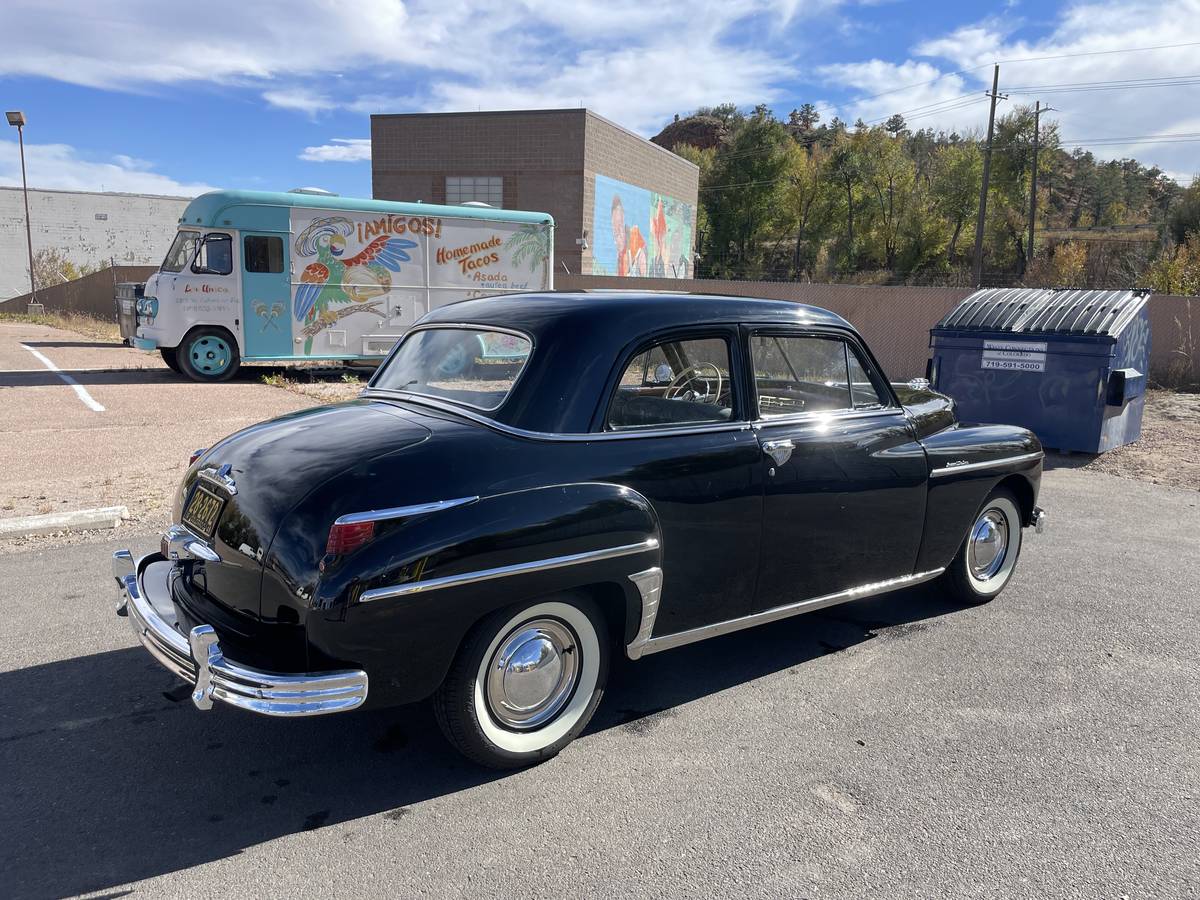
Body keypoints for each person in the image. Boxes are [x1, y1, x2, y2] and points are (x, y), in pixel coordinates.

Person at [610, 195, 647, 277]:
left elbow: (643, 270)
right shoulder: (619, 256)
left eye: (619, 227)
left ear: (623, 218)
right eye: (615, 231)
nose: (617, 235)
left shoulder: (635, 239)